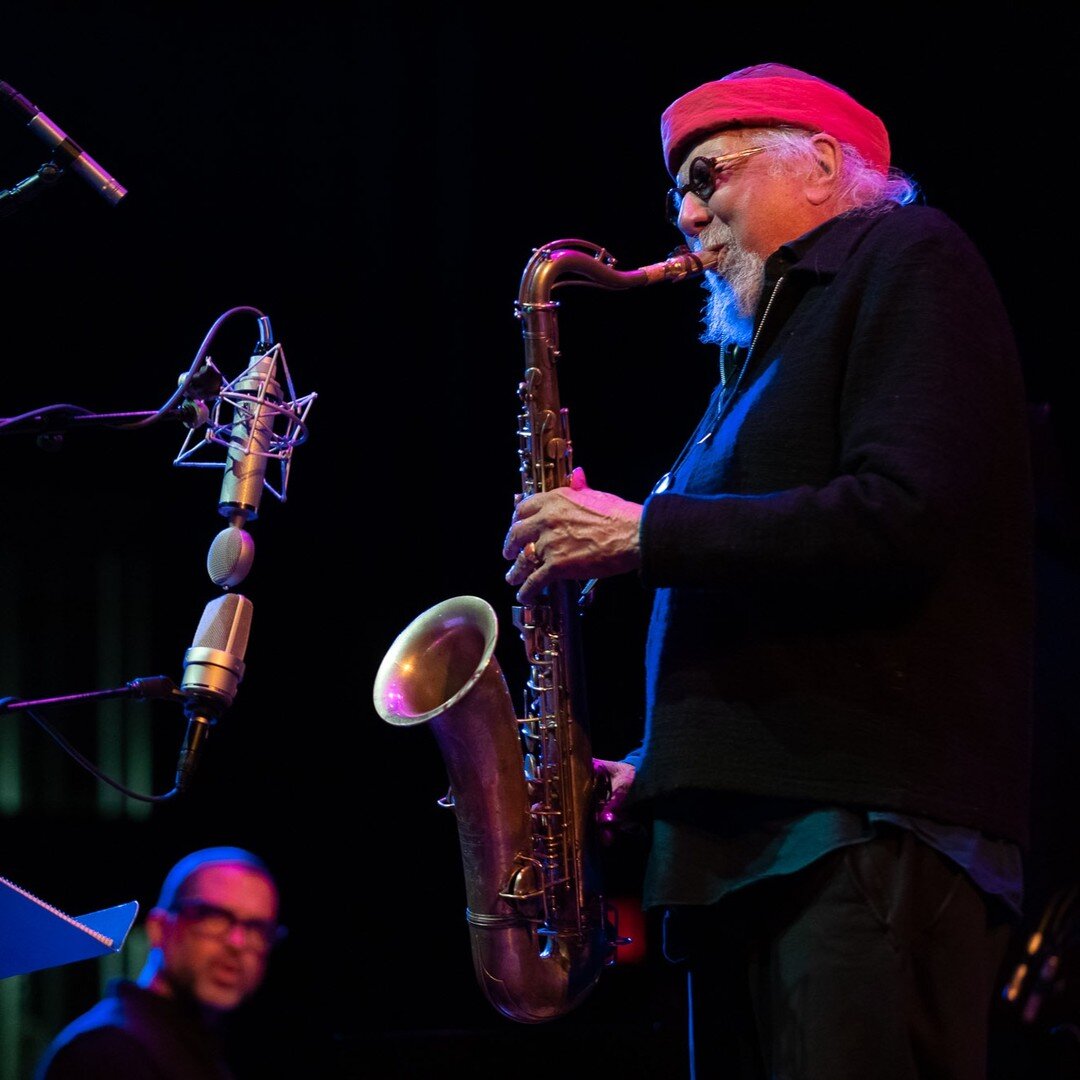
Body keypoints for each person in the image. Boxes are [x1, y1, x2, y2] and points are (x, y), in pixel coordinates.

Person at [503, 62, 1034, 1079]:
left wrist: (647, 533)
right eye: (679, 195)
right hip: (742, 857)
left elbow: (901, 519)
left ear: (825, 164)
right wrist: (658, 776)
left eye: (709, 179)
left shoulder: (908, 258)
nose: (689, 217)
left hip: (856, 841)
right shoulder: (750, 364)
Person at [35, 846, 284, 1080]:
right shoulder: (107, 1050)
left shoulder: (195, 1049)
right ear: (159, 928)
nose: (237, 943)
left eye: (257, 928)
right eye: (213, 917)